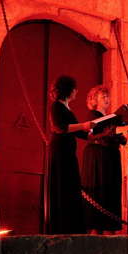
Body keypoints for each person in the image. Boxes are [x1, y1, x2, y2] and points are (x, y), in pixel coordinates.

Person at [47, 75, 94, 234]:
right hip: (60, 153)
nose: (76, 91)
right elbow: (60, 127)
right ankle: (62, 226)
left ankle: (72, 225)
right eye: (74, 88)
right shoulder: (56, 107)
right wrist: (84, 125)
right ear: (68, 90)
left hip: (68, 153)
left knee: (71, 185)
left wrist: (95, 132)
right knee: (63, 185)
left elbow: (80, 133)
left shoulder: (67, 108)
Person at [80, 85, 128, 235]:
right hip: (97, 156)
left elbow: (121, 139)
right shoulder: (91, 115)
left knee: (110, 192)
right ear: (95, 100)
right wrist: (108, 133)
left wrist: (121, 133)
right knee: (98, 191)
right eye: (103, 97)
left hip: (111, 158)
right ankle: (95, 231)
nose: (107, 99)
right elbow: (89, 135)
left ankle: (110, 230)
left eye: (108, 97)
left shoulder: (114, 119)